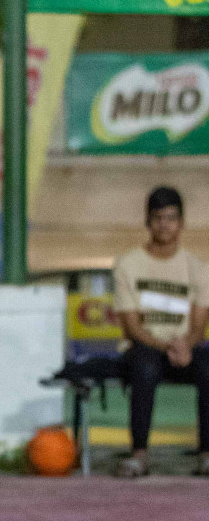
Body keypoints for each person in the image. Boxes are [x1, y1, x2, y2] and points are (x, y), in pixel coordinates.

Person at [112, 186, 209, 478]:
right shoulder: (128, 265)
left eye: (171, 218)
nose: (164, 225)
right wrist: (166, 345)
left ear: (181, 223)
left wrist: (185, 345)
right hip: (146, 347)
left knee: (208, 367)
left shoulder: (198, 268)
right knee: (145, 367)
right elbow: (131, 327)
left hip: (184, 348)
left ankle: (207, 454)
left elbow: (199, 326)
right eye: (157, 218)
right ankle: (139, 453)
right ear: (147, 221)